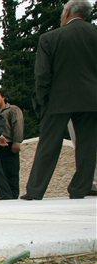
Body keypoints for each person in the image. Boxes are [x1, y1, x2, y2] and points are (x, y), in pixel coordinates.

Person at [23, 0, 97, 200]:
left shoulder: (50, 38)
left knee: (48, 144)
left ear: (67, 13)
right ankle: (80, 189)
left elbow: (43, 75)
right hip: (91, 99)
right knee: (88, 146)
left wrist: (41, 99)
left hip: (58, 99)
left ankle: (36, 190)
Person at [0, 89, 25, 199]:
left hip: (9, 146)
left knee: (11, 173)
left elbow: (18, 125)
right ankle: (3, 197)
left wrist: (16, 142)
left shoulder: (12, 109)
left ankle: (13, 197)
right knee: (0, 175)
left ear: (3, 97)